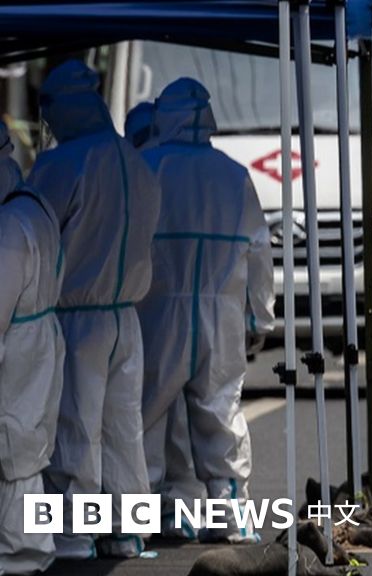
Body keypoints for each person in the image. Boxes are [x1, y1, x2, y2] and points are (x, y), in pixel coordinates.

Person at [30, 59, 161, 559]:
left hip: (75, 316)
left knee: (75, 425)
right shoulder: (135, 162)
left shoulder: (62, 164)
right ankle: (127, 531)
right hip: (125, 316)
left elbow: (33, 232)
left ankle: (74, 534)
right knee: (122, 427)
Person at [138, 77, 273, 543]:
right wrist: (260, 314)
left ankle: (154, 517)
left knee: (149, 414)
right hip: (221, 312)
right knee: (220, 411)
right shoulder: (233, 175)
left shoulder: (146, 166)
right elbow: (259, 248)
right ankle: (233, 518)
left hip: (157, 310)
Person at [0, 122, 64, 575]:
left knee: (14, 445)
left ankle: (22, 554)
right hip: (41, 335)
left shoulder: (9, 225)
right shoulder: (35, 204)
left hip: (20, 342)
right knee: (28, 442)